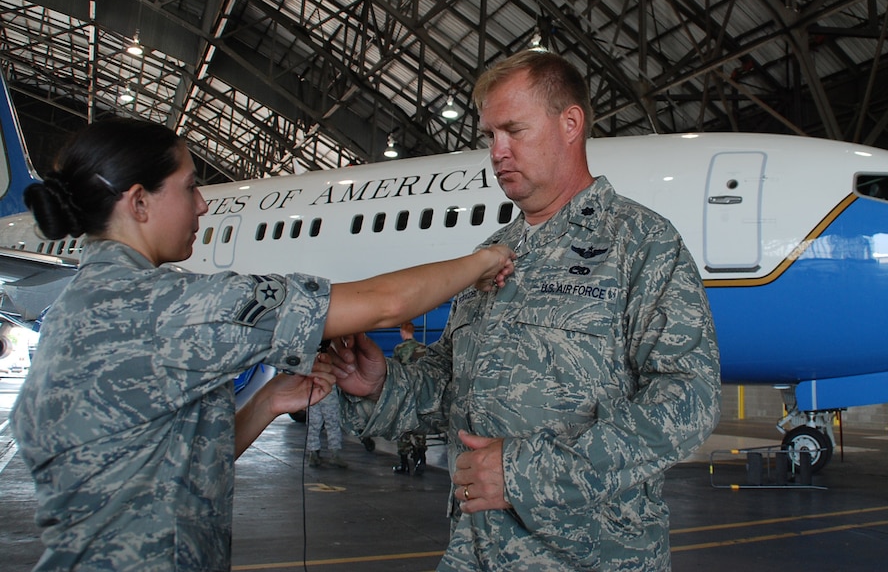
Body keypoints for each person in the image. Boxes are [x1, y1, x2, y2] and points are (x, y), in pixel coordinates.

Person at [10, 117, 514, 572]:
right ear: (139, 203)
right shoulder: (169, 306)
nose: (204, 204)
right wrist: (484, 261)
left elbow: (167, 463)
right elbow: (383, 303)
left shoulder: (78, 308)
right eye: (190, 188)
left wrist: (267, 404)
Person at [332, 50, 721, 570]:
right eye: (489, 136)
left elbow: (688, 399)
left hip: (590, 557)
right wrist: (384, 385)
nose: (497, 151)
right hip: (476, 552)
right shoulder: (494, 251)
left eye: (513, 130)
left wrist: (526, 475)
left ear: (570, 123)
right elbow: (451, 383)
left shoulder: (641, 242)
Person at [390, 321, 429, 475]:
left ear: (402, 332)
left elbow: (395, 371)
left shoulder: (399, 349)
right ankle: (421, 458)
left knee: (402, 425)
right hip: (420, 391)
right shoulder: (423, 348)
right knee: (419, 423)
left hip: (405, 392)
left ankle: (404, 463)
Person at [306, 387, 348, 468]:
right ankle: (334, 455)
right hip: (328, 395)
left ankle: (313, 454)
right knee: (333, 425)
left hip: (313, 395)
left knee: (313, 426)